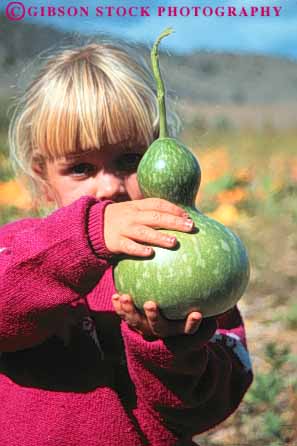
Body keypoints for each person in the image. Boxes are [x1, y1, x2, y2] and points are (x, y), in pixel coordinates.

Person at [0, 41, 253, 446]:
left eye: (129, 160)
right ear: (43, 176)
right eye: (80, 168)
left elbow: (213, 405)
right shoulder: (17, 249)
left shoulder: (196, 265)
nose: (109, 188)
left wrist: (173, 347)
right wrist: (86, 236)